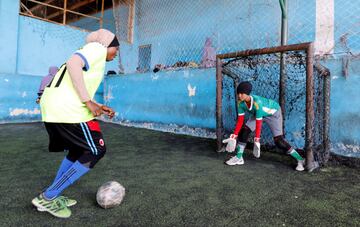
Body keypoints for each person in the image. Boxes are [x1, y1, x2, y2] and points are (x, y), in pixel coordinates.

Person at [31, 29, 119, 218]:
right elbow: (73, 63)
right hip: (67, 110)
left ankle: (53, 194)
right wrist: (87, 101)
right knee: (96, 149)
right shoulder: (97, 48)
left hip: (54, 108)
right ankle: (48, 197)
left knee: (78, 150)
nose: (116, 53)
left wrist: (96, 104)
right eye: (116, 48)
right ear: (107, 45)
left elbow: (74, 82)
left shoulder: (90, 52)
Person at [223, 81, 305, 171]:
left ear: (247, 93)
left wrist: (257, 139)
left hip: (273, 114)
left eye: (242, 93)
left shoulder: (257, 103)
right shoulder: (240, 103)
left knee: (279, 141)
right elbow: (240, 120)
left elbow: (259, 123)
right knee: (244, 131)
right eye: (238, 93)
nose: (239, 96)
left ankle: (300, 159)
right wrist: (234, 135)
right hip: (258, 114)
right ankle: (239, 157)